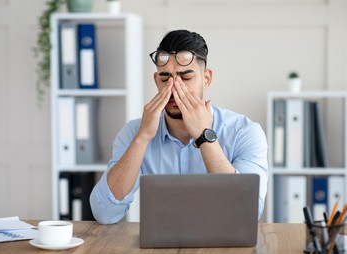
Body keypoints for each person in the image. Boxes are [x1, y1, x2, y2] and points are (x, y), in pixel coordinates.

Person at [90, 29, 268, 224]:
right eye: (165, 79)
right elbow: (104, 213)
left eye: (186, 78)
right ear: (157, 81)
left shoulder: (244, 132)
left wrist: (204, 136)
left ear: (206, 78)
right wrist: (142, 138)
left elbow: (246, 213)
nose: (174, 89)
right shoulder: (134, 132)